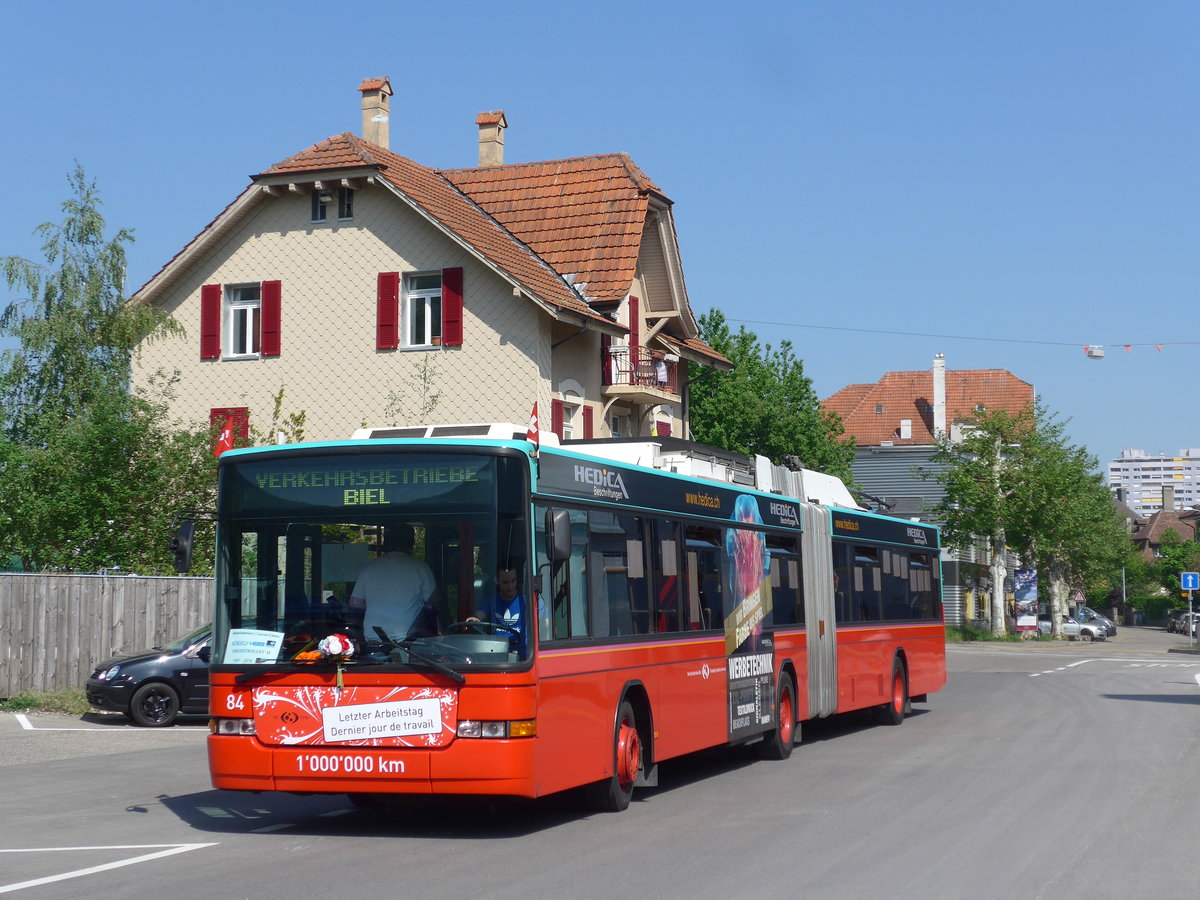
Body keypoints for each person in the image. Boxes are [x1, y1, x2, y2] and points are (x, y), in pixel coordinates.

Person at [349, 525, 437, 642]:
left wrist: (377, 605)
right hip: (408, 639)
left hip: (373, 637)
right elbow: (434, 602)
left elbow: (355, 603)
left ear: (387, 543)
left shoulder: (369, 568)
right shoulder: (420, 567)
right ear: (412, 544)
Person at [469, 563, 542, 654]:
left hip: (523, 655)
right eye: (505, 582)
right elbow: (479, 614)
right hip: (496, 652)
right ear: (497, 581)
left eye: (513, 581)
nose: (510, 586)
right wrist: (475, 618)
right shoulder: (491, 600)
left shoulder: (527, 601)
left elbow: (544, 625)